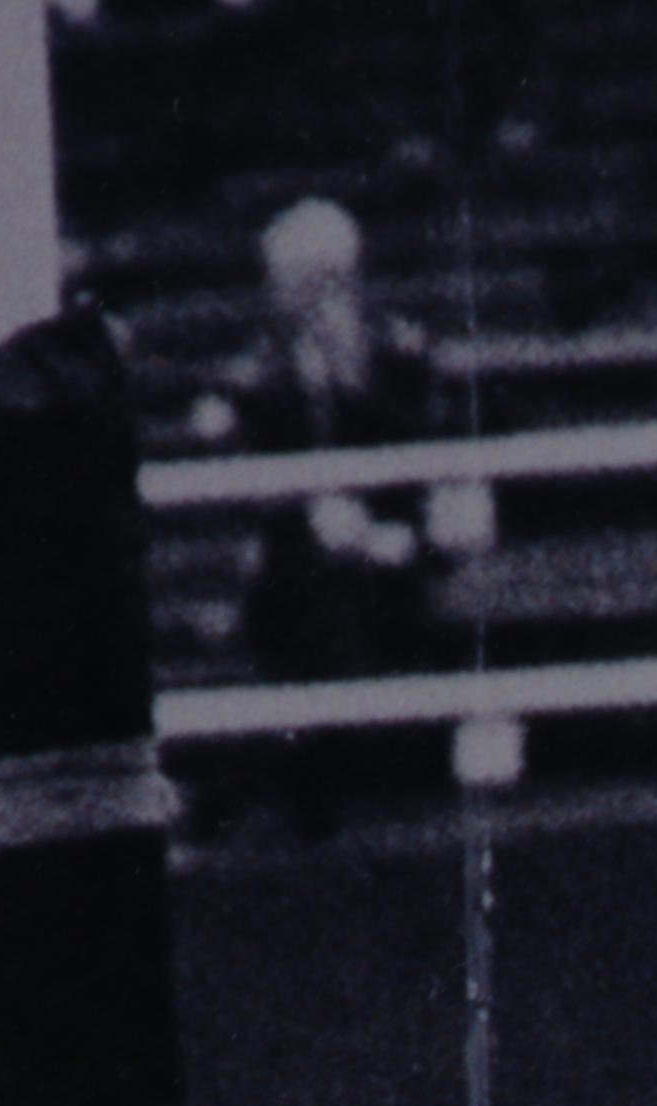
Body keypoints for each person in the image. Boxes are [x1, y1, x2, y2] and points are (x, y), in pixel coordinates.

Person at [184, 198, 469, 834]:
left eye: (284, 278)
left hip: (397, 551)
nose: (275, 293)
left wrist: (388, 530)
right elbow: (245, 455)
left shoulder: (397, 353)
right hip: (300, 566)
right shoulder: (266, 368)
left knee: (367, 603)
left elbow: (428, 453)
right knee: (302, 592)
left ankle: (359, 791)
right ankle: (299, 796)